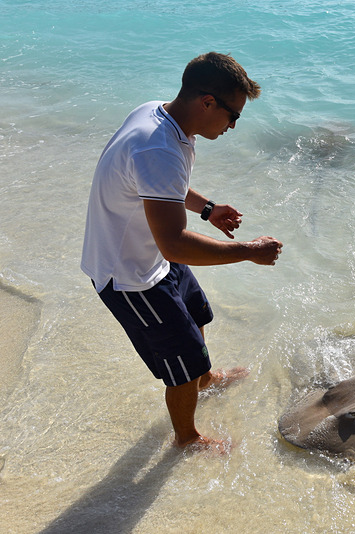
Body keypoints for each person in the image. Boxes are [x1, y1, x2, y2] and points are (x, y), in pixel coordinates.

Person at [81, 52, 282, 453]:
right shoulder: (158, 148)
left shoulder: (158, 115)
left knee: (196, 312)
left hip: (152, 255)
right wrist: (247, 251)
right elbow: (173, 242)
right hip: (129, 276)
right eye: (233, 115)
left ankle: (205, 381)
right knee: (181, 362)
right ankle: (186, 438)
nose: (234, 126)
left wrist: (207, 209)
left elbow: (158, 186)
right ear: (207, 102)